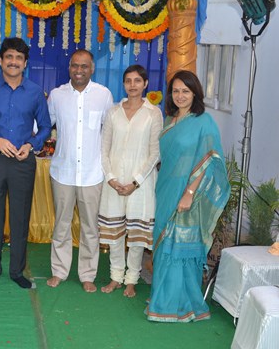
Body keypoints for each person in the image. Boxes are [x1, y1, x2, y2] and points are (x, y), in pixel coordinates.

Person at [145, 70, 230, 322]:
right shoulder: (170, 119)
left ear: (195, 93)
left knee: (179, 245)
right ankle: (162, 294)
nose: (180, 96)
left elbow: (210, 161)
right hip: (165, 188)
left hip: (186, 192)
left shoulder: (204, 121)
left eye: (185, 91)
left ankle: (178, 304)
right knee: (163, 242)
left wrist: (189, 193)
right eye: (176, 91)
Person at [0, 37, 51, 289]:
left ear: (25, 63)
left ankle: (17, 271)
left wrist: (31, 145)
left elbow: (45, 127)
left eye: (19, 58)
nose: (13, 62)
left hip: (23, 161)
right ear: (1, 60)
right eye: (9, 57)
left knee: (20, 217)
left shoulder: (35, 91)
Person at [46, 49, 114, 292]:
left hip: (92, 173)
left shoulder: (104, 95)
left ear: (92, 68)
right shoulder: (57, 95)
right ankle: (59, 271)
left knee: (90, 228)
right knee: (61, 225)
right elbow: (43, 124)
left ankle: (87, 275)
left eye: (84, 66)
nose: (79, 70)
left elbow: (110, 132)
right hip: (62, 172)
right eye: (75, 65)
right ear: (69, 68)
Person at [98, 64, 163, 298]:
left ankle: (132, 280)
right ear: (124, 84)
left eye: (137, 80)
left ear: (145, 84)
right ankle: (116, 277)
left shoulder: (153, 113)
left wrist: (135, 182)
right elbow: (103, 149)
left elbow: (155, 153)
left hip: (141, 184)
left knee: (136, 235)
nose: (132, 85)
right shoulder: (113, 112)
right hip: (114, 182)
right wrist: (111, 179)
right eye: (128, 81)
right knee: (115, 233)